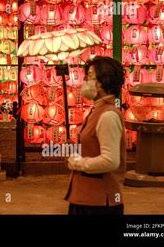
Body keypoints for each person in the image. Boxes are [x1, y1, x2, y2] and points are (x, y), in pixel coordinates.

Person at [64, 56, 126, 215]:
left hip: (99, 203)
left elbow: (110, 161)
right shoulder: (96, 111)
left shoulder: (108, 116)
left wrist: (78, 163)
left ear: (103, 82)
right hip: (85, 198)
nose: (85, 81)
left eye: (90, 77)